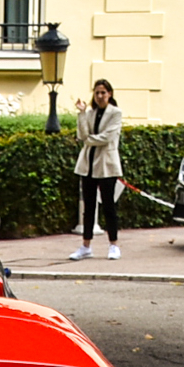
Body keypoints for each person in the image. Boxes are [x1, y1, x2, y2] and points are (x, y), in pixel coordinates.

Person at [70, 80, 124, 263]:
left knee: (109, 206)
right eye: (97, 93)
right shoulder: (91, 113)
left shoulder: (116, 113)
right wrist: (82, 113)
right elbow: (81, 134)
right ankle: (86, 246)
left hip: (106, 165)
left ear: (109, 94)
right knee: (89, 207)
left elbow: (107, 137)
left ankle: (114, 244)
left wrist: (88, 140)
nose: (100, 96)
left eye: (103, 92)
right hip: (88, 165)